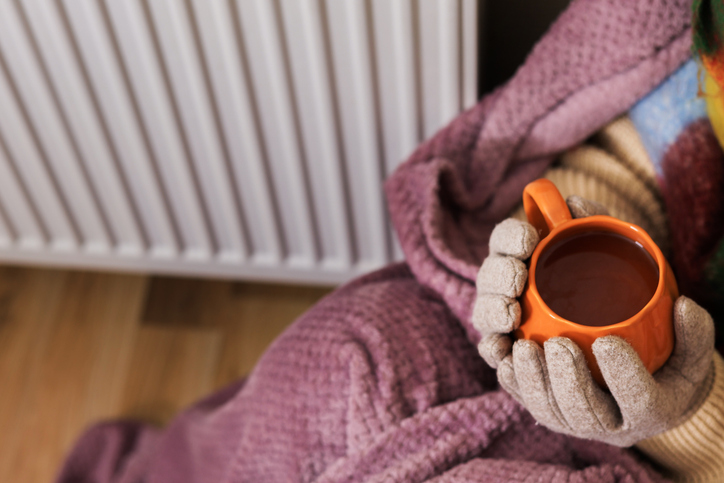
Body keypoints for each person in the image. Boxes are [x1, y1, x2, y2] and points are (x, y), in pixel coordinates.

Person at [55, 1, 724, 481]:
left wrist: (686, 414)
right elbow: (649, 156)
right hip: (592, 366)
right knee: (353, 352)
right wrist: (544, 240)